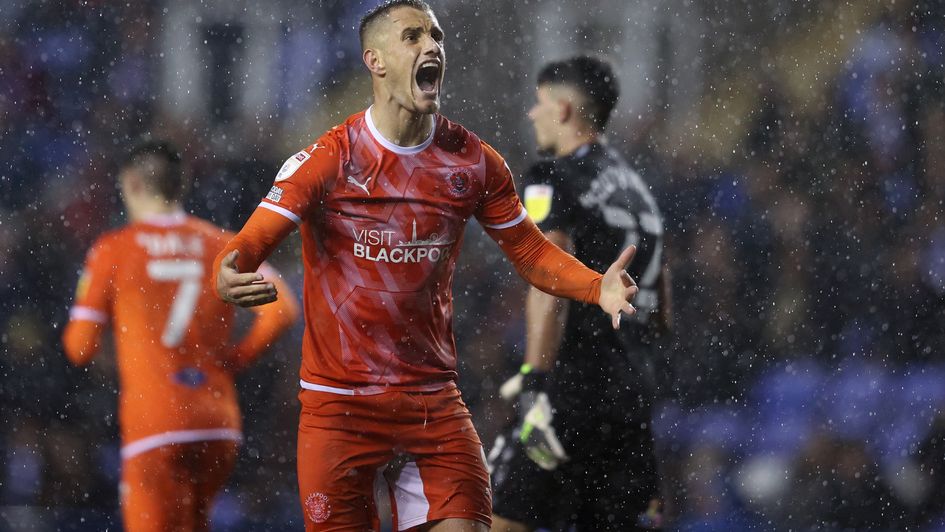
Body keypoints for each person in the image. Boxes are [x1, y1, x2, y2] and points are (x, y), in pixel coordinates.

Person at [212, 2, 640, 530]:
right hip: (340, 408)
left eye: (435, 36)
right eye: (412, 36)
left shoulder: (474, 161)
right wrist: (228, 277)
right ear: (376, 60)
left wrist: (597, 287)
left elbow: (529, 252)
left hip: (431, 404)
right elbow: (243, 249)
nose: (431, 46)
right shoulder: (327, 160)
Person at [62, 140, 299, 532]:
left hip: (153, 423)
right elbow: (283, 310)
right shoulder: (220, 244)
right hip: (216, 419)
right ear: (180, 185)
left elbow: (79, 348)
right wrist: (234, 360)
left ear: (133, 184)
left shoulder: (113, 250)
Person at [489, 56, 672, 532]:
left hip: (571, 390)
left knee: (494, 519)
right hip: (631, 399)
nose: (533, 113)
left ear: (565, 109)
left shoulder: (552, 176)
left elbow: (548, 280)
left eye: (540, 102)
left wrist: (534, 380)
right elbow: (662, 306)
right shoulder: (640, 191)